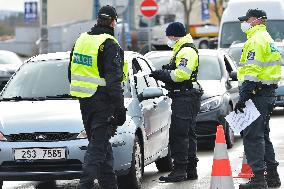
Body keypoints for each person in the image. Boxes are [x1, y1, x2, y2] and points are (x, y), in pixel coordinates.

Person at [68, 5, 127, 189]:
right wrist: (120, 109)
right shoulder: (109, 43)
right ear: (113, 22)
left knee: (102, 147)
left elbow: (70, 72)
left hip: (84, 100)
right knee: (96, 149)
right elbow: (114, 82)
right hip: (103, 102)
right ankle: (84, 185)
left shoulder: (81, 39)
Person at [150, 22, 203, 182]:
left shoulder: (186, 50)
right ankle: (190, 170)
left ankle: (180, 171)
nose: (167, 39)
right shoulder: (182, 49)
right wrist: (166, 70)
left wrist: (164, 75)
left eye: (168, 36)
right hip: (187, 96)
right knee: (188, 134)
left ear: (173, 35)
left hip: (185, 97)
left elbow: (181, 75)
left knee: (179, 134)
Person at [236, 9, 282, 189]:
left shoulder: (255, 40)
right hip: (267, 93)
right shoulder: (268, 39)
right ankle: (272, 176)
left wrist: (244, 95)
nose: (244, 23)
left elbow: (252, 72)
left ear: (255, 20)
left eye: (246, 20)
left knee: (252, 137)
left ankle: (258, 179)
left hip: (256, 94)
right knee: (263, 135)